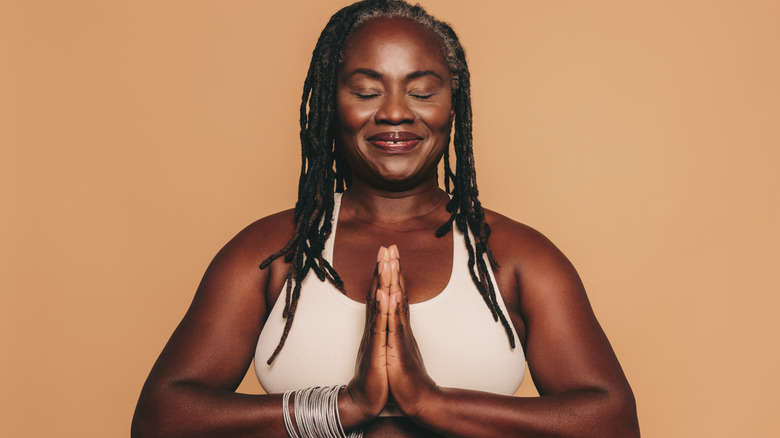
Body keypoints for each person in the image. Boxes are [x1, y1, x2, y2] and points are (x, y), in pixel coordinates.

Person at [132, 0, 639, 436]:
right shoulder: (275, 250)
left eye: (421, 91)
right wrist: (343, 407)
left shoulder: (513, 257)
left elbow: (612, 421)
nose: (395, 113)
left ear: (453, 106)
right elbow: (161, 417)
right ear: (330, 105)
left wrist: (429, 402)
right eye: (367, 91)